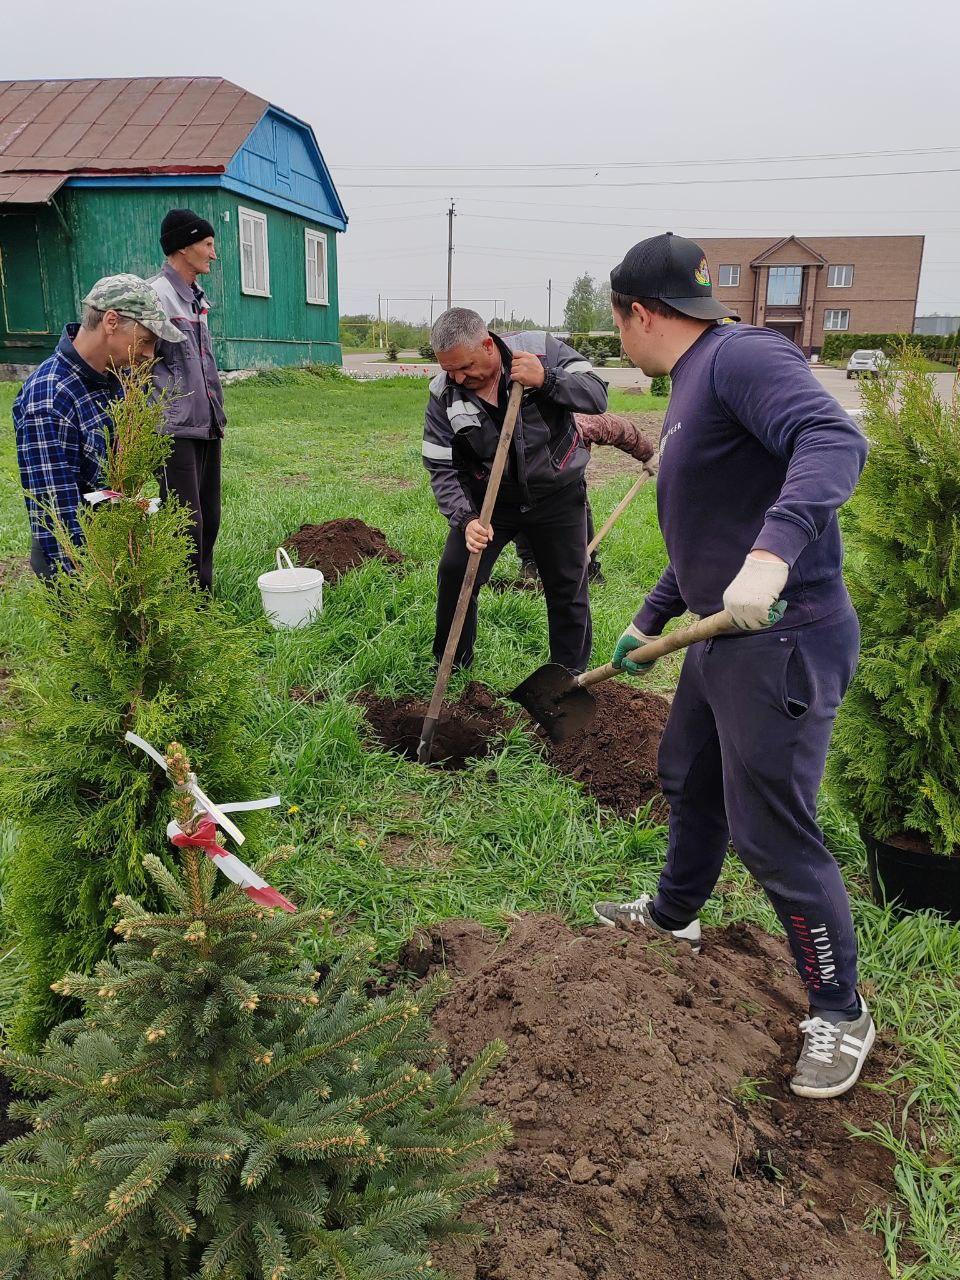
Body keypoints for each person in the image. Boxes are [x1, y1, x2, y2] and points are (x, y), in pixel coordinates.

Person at [591, 232, 873, 1101]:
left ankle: (841, 1011)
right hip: (723, 636)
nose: (617, 340)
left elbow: (835, 439)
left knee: (773, 833)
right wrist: (649, 617)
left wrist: (775, 556)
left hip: (784, 638)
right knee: (690, 780)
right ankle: (673, 916)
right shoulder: (689, 388)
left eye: (614, 325)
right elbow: (715, 530)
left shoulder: (740, 356)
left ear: (639, 314)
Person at [422, 308, 608, 673]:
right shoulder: (444, 392)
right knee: (456, 572)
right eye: (449, 369)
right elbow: (441, 465)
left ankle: (567, 678)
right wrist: (466, 519)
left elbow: (597, 396)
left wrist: (548, 380)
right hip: (490, 502)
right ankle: (451, 665)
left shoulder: (541, 351)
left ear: (488, 344)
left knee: (568, 589)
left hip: (557, 495)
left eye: (464, 366)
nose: (458, 377)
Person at [12, 276, 183, 578]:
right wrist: (90, 584)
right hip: (77, 564)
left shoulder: (113, 378)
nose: (148, 354)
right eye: (145, 340)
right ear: (111, 321)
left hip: (113, 543)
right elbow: (57, 517)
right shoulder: (51, 397)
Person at [149, 208, 226, 591]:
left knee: (209, 518)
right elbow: (137, 363)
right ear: (183, 246)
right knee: (185, 521)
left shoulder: (196, 299)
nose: (214, 254)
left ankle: (201, 597)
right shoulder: (156, 298)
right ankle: (183, 602)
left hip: (205, 423)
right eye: (208, 244)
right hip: (173, 429)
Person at [514, 410, 657, 584]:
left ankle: (589, 567)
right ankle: (531, 564)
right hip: (526, 486)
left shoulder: (583, 424)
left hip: (569, 484)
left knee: (579, 509)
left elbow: (621, 429)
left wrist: (647, 455)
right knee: (521, 508)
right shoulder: (518, 431)